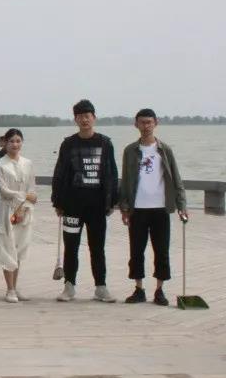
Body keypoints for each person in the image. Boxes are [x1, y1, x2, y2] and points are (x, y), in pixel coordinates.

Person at [51, 99, 119, 303]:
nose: (84, 120)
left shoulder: (105, 143)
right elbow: (60, 173)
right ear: (75, 119)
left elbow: (112, 173)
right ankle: (69, 286)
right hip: (72, 205)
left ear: (94, 118)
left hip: (97, 206)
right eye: (80, 117)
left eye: (87, 116)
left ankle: (101, 287)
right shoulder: (68, 144)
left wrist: (112, 201)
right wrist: (57, 201)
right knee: (71, 247)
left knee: (97, 247)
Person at [119, 109, 188, 306]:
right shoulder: (130, 151)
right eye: (142, 122)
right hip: (137, 208)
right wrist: (124, 207)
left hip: (160, 208)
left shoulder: (164, 150)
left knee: (162, 251)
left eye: (149, 122)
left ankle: (159, 290)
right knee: (136, 251)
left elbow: (176, 178)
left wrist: (182, 205)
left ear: (156, 123)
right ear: (136, 124)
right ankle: (139, 289)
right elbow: (125, 181)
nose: (146, 126)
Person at [0, 128, 36, 303]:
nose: (15, 144)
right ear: (5, 143)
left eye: (18, 141)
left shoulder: (28, 163)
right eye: (11, 141)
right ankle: (9, 289)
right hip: (7, 209)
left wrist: (24, 206)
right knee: (7, 247)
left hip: (24, 211)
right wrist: (25, 197)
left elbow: (32, 189)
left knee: (19, 248)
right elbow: (4, 191)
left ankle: (15, 287)